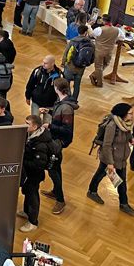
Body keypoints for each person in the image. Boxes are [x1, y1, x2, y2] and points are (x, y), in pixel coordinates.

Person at [87, 103, 134, 215]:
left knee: (122, 182)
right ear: (122, 114)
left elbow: (128, 134)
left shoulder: (126, 124)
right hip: (110, 159)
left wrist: (131, 140)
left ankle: (124, 204)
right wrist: (110, 163)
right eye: (130, 113)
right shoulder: (112, 126)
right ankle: (92, 191)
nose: (132, 115)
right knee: (100, 174)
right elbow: (107, 145)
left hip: (121, 159)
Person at [41, 78, 77, 215]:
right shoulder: (63, 102)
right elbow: (59, 116)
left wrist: (49, 125)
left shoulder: (66, 107)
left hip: (58, 142)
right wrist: (49, 112)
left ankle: (60, 199)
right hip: (56, 140)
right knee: (55, 169)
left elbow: (66, 129)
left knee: (53, 169)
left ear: (57, 89)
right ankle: (56, 191)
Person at [18, 114, 53, 232]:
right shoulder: (31, 136)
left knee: (33, 195)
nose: (25, 125)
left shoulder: (40, 144)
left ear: (35, 126)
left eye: (27, 124)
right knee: (27, 192)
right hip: (29, 173)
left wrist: (22, 160)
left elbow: (39, 165)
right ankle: (27, 212)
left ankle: (33, 221)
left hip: (34, 175)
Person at [25, 55, 62, 122]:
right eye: (43, 62)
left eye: (46, 63)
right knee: (34, 121)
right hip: (36, 102)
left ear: (52, 64)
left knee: (47, 123)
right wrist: (27, 97)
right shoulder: (37, 71)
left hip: (50, 104)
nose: (43, 64)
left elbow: (62, 90)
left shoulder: (59, 75)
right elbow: (30, 84)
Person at [61, 24, 93, 100]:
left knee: (67, 82)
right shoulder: (90, 43)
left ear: (78, 31)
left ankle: (67, 98)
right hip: (81, 67)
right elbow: (93, 56)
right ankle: (74, 100)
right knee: (77, 84)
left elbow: (66, 53)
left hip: (70, 66)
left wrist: (63, 63)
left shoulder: (73, 41)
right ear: (86, 32)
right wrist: (87, 63)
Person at [90, 14, 123, 87]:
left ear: (103, 21)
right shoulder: (117, 30)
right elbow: (122, 38)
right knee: (106, 64)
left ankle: (99, 82)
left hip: (99, 51)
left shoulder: (99, 29)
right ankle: (94, 75)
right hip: (109, 51)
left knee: (98, 66)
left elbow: (92, 35)